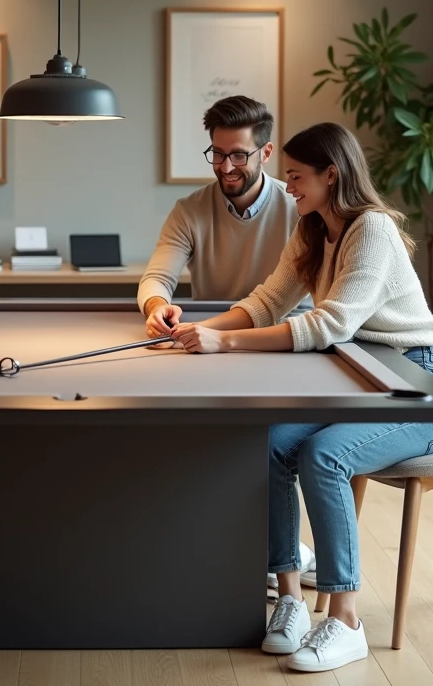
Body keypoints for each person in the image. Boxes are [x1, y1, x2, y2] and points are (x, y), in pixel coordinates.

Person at [167, 121, 433, 673]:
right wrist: (200, 333)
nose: (287, 185)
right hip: (357, 375)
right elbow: (270, 301)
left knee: (326, 456)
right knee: (270, 443)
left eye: (296, 177)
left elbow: (328, 325)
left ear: (332, 174)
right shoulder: (311, 226)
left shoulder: (372, 229)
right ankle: (291, 599)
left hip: (416, 386)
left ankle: (345, 621)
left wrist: (224, 342)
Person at [137, 95, 317, 595]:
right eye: (217, 154)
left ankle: (276, 555)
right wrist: (156, 308)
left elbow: (295, 301)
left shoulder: (301, 207)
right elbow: (157, 276)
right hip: (211, 337)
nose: (226, 166)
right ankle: (255, 549)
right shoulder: (190, 209)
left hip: (283, 342)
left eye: (238, 154)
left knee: (265, 442)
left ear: (265, 152)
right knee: (193, 438)